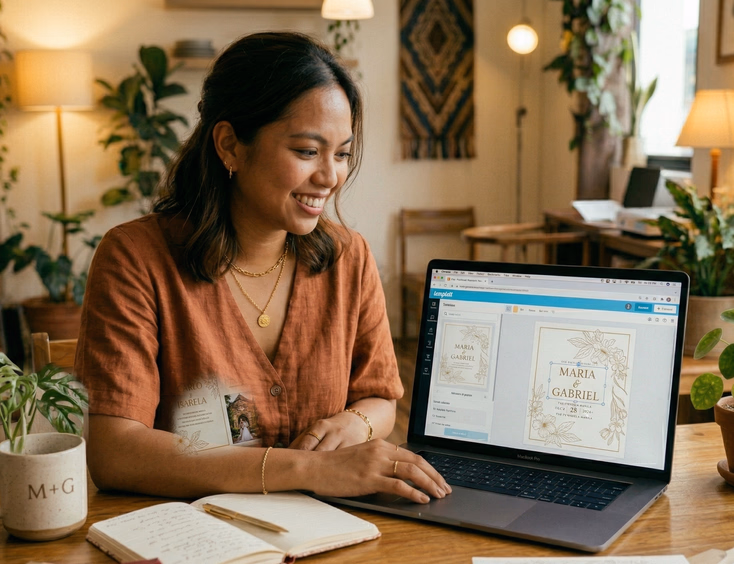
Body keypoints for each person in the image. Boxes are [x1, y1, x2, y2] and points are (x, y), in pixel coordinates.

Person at [76, 31, 450, 504]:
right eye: (307, 151)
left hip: (331, 529)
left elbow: (380, 400)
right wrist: (307, 468)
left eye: (341, 154)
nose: (330, 177)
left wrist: (351, 424)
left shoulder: (347, 256)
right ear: (230, 145)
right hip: (191, 534)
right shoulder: (134, 259)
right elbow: (115, 451)